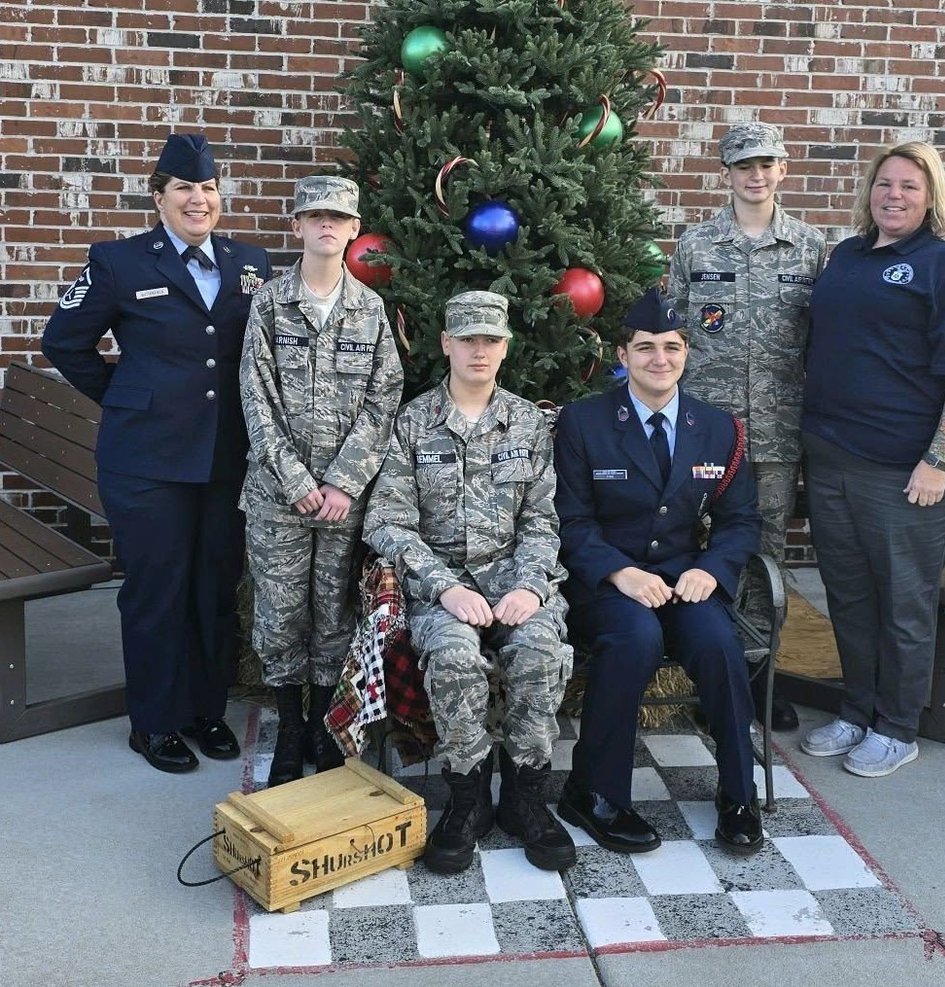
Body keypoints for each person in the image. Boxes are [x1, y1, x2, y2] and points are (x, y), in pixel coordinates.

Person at [41, 134, 272, 773]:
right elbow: (63, 341)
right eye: (183, 189)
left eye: (207, 188)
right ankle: (156, 722)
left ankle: (204, 711)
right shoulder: (118, 262)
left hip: (226, 458)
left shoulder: (250, 262)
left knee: (214, 587)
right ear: (159, 197)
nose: (198, 200)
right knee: (156, 589)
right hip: (145, 461)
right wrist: (126, 396)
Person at [798, 141, 945, 778]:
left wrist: (936, 459)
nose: (895, 195)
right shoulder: (847, 256)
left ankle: (898, 724)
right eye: (885, 184)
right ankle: (857, 709)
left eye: (911, 186)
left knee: (904, 599)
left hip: (908, 465)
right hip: (832, 458)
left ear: (931, 196)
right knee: (849, 594)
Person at [363, 290, 576, 874]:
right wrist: (442, 587)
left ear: (505, 348)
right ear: (446, 345)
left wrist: (531, 587)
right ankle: (468, 800)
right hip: (442, 585)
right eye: (467, 339)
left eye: (490, 340)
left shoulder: (529, 423)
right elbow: (386, 521)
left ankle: (527, 799)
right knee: (454, 659)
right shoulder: (413, 421)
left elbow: (543, 520)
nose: (479, 351)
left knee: (539, 651)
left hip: (516, 579)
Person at [554, 287, 765, 855]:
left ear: (686, 353)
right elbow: (570, 521)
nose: (659, 359)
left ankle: (738, 794)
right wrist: (619, 574)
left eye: (671, 347)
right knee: (635, 638)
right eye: (644, 348)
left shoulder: (718, 428)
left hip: (685, 577)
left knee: (719, 642)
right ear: (622, 356)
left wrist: (713, 570)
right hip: (607, 584)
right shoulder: (584, 423)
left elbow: (740, 521)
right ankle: (594, 792)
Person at [239, 176, 403, 787]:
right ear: (298, 226)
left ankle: (324, 726)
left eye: (338, 218)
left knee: (334, 613)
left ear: (355, 229)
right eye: (315, 216)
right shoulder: (270, 303)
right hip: (278, 495)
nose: (327, 226)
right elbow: (255, 397)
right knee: (281, 614)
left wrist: (342, 482)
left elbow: (384, 397)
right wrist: (294, 480)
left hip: (342, 501)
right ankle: (288, 726)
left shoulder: (370, 309)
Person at [667, 121, 827, 732]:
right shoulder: (697, 246)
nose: (755, 176)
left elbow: (821, 345)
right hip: (707, 434)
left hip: (777, 438)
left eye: (766, 165)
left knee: (765, 558)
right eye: (743, 166)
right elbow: (672, 335)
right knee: (701, 549)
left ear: (782, 170)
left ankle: (758, 680)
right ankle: (707, 674)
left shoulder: (810, 249)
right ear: (727, 174)